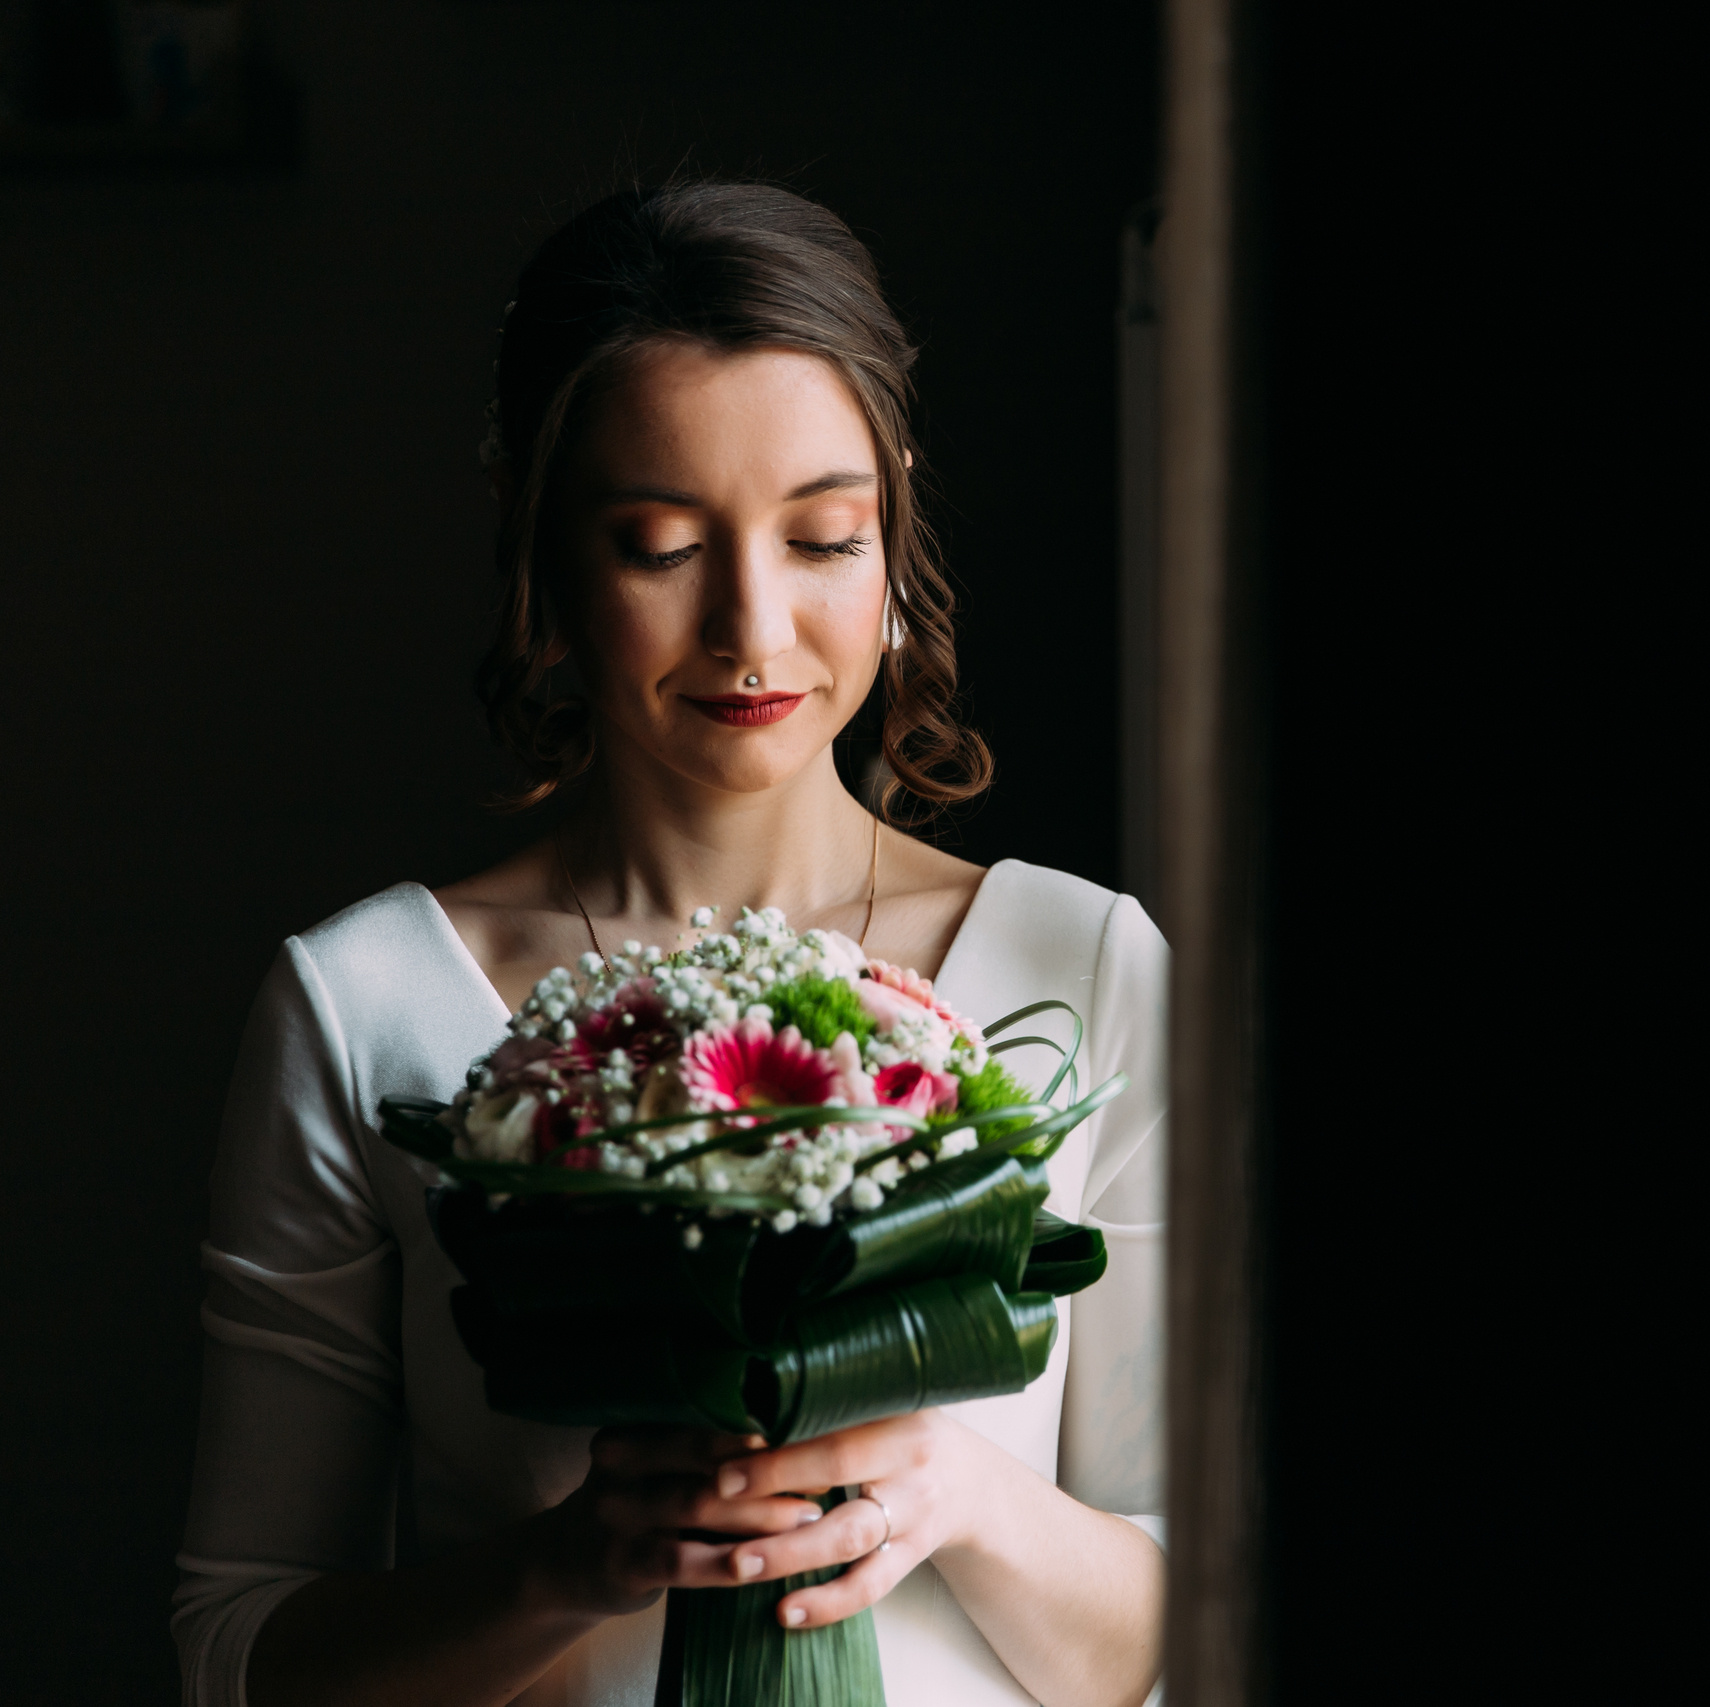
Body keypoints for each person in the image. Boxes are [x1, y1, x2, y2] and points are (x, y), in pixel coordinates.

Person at [173, 181, 1166, 1707]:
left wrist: (950, 1492)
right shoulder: (363, 1005)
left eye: (825, 537)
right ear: (544, 560)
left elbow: (1198, 1621)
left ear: (894, 529)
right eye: (657, 547)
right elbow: (239, 1650)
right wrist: (569, 1567)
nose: (751, 629)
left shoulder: (1082, 966)